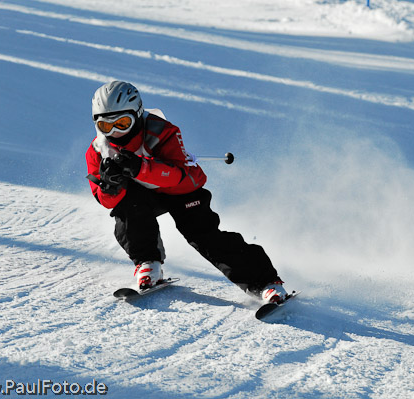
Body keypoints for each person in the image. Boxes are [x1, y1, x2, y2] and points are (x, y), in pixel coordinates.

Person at [85, 81, 287, 304]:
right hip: (143, 196)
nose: (115, 132)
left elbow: (178, 177)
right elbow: (106, 201)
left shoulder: (161, 132)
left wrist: (140, 168)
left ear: (138, 114)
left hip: (182, 190)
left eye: (123, 123)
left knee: (202, 235)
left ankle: (265, 282)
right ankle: (148, 264)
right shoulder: (97, 152)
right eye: (106, 126)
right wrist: (111, 187)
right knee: (127, 209)